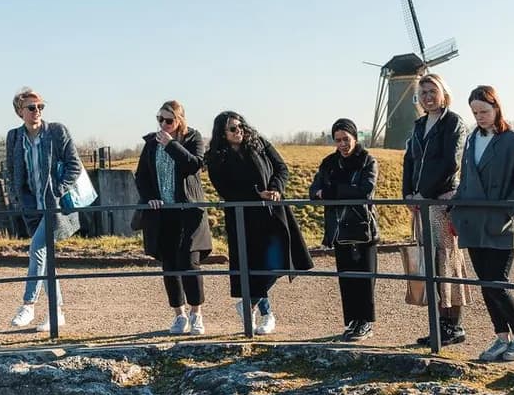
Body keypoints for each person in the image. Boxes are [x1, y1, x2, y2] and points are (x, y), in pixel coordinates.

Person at [450, 86, 514, 362]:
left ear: (496, 108)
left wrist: (506, 214)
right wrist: (456, 211)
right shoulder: (471, 140)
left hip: (501, 225)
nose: (479, 117)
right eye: (475, 112)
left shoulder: (513, 140)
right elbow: (466, 180)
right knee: (486, 285)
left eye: (484, 111)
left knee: (497, 283)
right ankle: (502, 337)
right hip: (473, 222)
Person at [204, 111, 312, 335]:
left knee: (278, 261)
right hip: (244, 219)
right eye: (232, 128)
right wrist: (256, 195)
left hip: (273, 214)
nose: (239, 131)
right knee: (253, 267)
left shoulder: (259, 143)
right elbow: (225, 189)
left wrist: (275, 188)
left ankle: (249, 304)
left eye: (240, 126)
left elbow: (281, 168)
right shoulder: (215, 157)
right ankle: (266, 314)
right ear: (222, 134)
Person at [5, 87, 83, 332]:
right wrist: (17, 198)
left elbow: (74, 166)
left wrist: (58, 190)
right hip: (32, 208)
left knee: (36, 249)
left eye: (40, 107)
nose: (37, 111)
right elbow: (11, 172)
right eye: (31, 107)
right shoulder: (14, 137)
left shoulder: (57, 132)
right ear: (20, 111)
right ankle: (56, 313)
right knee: (46, 261)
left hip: (55, 208)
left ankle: (28, 304)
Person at [402, 72, 472, 345]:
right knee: (430, 260)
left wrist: (425, 193)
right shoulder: (419, 125)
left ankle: (453, 325)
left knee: (447, 260)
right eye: (423, 93)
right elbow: (410, 160)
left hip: (441, 200)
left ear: (444, 93)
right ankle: (438, 324)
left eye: (433, 91)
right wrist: (408, 194)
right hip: (422, 203)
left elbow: (450, 162)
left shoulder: (453, 123)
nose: (428, 97)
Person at [135, 99, 213, 335]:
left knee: (189, 262)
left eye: (168, 120)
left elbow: (195, 165)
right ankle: (179, 315)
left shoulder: (193, 138)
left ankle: (196, 313)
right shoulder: (151, 143)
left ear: (179, 120)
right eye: (159, 119)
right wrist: (150, 197)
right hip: (163, 214)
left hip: (188, 212)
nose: (163, 124)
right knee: (169, 264)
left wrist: (171, 144)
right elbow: (142, 176)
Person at [310, 117, 380, 342]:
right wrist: (339, 190)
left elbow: (365, 190)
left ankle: (365, 322)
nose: (342, 144)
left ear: (355, 138)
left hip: (361, 226)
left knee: (364, 276)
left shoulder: (367, 160)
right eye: (338, 140)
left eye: (346, 139)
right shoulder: (329, 163)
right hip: (339, 228)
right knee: (346, 277)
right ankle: (352, 321)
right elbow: (314, 190)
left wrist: (330, 192)